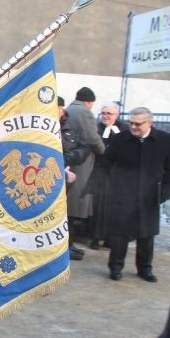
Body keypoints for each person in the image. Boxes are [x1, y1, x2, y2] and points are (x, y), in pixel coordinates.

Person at [103, 107, 170, 282]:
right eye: (131, 123)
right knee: (120, 235)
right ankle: (115, 267)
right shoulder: (120, 139)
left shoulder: (164, 140)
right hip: (123, 195)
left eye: (138, 124)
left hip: (149, 196)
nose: (133, 127)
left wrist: (163, 194)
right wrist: (110, 187)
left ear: (149, 123)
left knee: (146, 235)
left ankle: (145, 268)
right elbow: (105, 163)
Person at [64, 87, 105, 245]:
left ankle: (70, 240)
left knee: (70, 200)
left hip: (69, 158)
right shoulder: (84, 112)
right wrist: (103, 150)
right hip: (80, 161)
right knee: (76, 202)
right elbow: (91, 138)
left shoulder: (69, 109)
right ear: (89, 102)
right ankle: (70, 242)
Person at [86, 102, 129, 250]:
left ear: (116, 115)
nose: (105, 116)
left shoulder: (124, 129)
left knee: (114, 208)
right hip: (100, 171)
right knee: (98, 206)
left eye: (109, 114)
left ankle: (110, 238)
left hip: (118, 174)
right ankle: (95, 237)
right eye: (103, 113)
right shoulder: (96, 128)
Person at [58, 97, 85, 261]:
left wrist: (71, 157)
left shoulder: (71, 127)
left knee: (65, 212)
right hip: (49, 174)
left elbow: (84, 147)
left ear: (62, 110)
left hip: (68, 176)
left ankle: (66, 246)